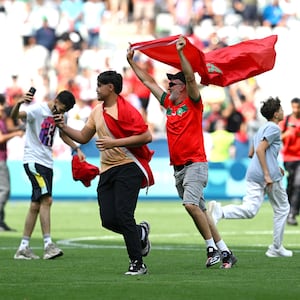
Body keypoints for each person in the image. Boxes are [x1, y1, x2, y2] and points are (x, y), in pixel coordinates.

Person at [127, 35, 237, 269]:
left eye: (173, 83)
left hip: (195, 163)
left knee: (190, 205)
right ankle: (225, 252)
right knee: (202, 211)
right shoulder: (170, 103)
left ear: (185, 86)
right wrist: (132, 63)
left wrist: (180, 54)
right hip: (179, 168)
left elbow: (189, 76)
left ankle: (210, 249)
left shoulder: (194, 102)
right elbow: (148, 83)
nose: (169, 85)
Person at [54, 70, 154, 275]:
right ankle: (139, 232)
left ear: (111, 88)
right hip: (107, 170)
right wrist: (63, 126)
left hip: (129, 166)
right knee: (108, 219)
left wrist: (114, 142)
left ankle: (137, 263)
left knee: (124, 214)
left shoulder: (126, 110)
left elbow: (146, 136)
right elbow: (83, 136)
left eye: (99, 85)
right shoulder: (96, 111)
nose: (96, 89)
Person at [208, 97, 293, 258]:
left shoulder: (261, 128)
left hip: (254, 173)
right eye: (281, 109)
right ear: (276, 114)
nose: (283, 112)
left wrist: (275, 166)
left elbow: (251, 152)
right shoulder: (274, 129)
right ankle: (276, 248)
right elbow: (260, 150)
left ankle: (221, 211)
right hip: (266, 175)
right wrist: (268, 174)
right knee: (282, 209)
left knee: (250, 210)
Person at [11, 89, 85, 260]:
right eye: (62, 109)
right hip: (34, 161)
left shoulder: (60, 116)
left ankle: (23, 247)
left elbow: (63, 135)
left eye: (65, 111)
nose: (62, 113)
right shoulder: (37, 110)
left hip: (47, 163)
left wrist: (76, 148)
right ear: (56, 100)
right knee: (47, 200)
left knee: (35, 205)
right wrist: (19, 102)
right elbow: (16, 115)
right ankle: (48, 245)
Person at [0, 94, 24, 231]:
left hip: (3, 159)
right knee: (5, 190)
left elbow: (6, 131)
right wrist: (16, 134)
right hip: (0, 161)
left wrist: (19, 129)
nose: (3, 108)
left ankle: (1, 222)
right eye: (1, 104)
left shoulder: (2, 120)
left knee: (2, 190)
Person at [280, 97, 300, 225]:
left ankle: (292, 212)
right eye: (294, 107)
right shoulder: (286, 120)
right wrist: (287, 134)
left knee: (298, 183)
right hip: (288, 158)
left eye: (298, 107)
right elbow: (277, 136)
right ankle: (289, 210)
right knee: (291, 184)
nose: (296, 110)